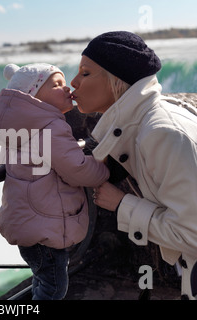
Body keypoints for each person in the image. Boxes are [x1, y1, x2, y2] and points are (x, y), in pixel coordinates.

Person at [71, 31, 197, 300]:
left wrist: (122, 205)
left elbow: (192, 234)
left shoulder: (160, 133)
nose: (73, 82)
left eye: (85, 73)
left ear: (117, 80)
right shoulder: (153, 117)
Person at [0, 63, 109, 300]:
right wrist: (103, 169)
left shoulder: (20, 127)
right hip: (46, 227)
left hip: (29, 223)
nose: (66, 89)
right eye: (57, 85)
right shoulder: (49, 128)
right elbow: (77, 169)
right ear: (34, 97)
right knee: (53, 289)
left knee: (42, 282)